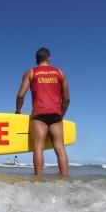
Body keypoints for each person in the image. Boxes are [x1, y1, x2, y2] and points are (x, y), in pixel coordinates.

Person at [15, 48, 70, 178]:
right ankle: (65, 178)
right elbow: (67, 98)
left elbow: (21, 95)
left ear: (36, 59)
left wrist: (18, 110)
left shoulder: (31, 72)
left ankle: (38, 179)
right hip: (56, 114)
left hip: (39, 116)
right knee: (60, 148)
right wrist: (61, 115)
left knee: (38, 147)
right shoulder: (59, 72)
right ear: (49, 58)